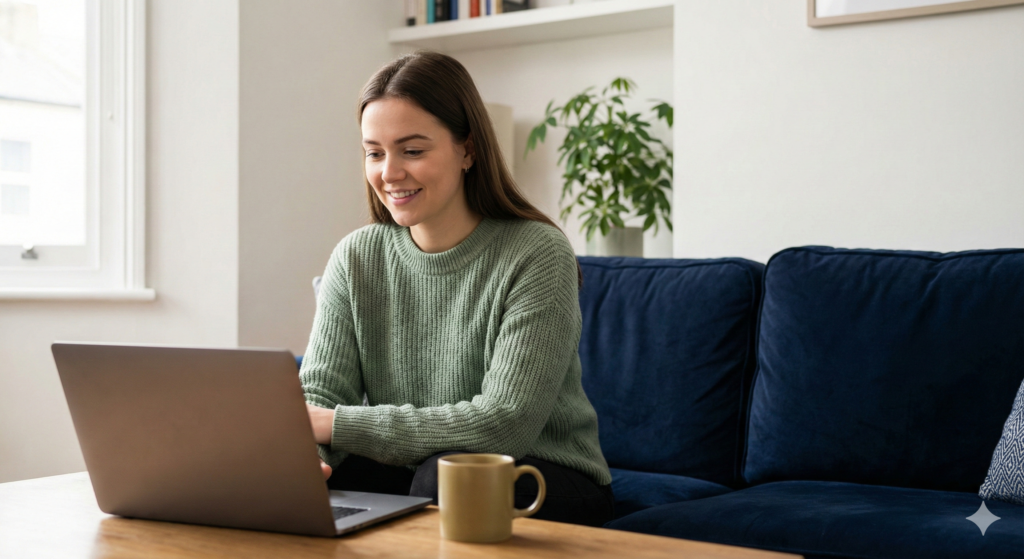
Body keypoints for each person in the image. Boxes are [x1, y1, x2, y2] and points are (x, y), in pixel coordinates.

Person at [299, 51, 613, 527]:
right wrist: (306, 454)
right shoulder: (356, 256)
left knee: (445, 478)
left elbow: (505, 423)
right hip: (416, 466)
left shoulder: (537, 252)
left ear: (467, 149)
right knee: (327, 478)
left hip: (541, 471)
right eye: (374, 152)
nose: (389, 173)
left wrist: (334, 425)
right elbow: (319, 395)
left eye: (413, 150)